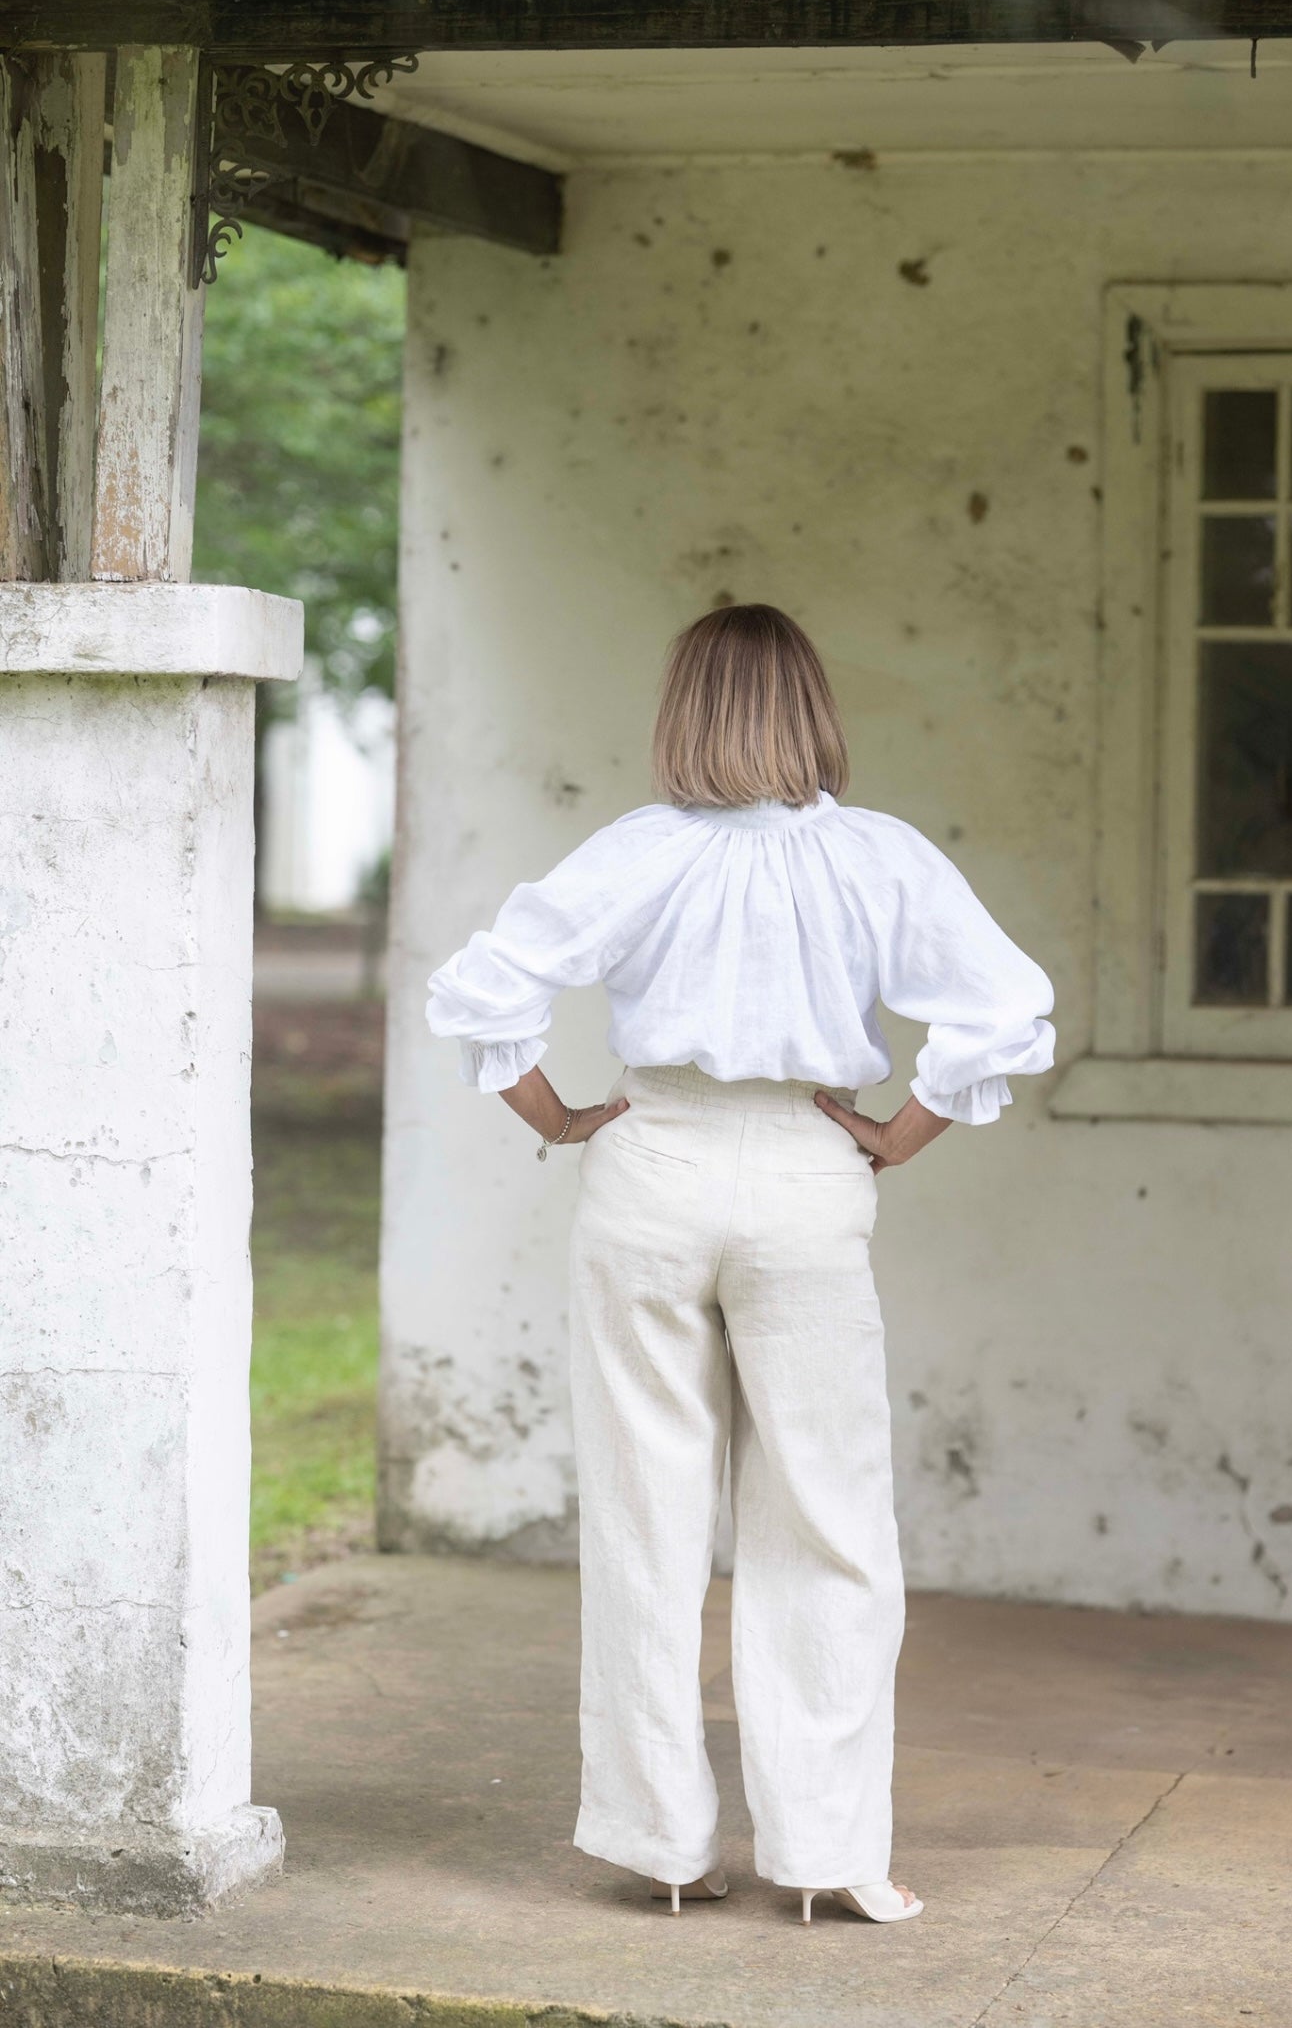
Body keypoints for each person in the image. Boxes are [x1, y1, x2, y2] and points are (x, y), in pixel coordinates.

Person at [426, 603, 1055, 1925]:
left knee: (643, 1520)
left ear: (682, 716)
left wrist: (558, 1120)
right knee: (827, 1519)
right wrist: (898, 1133)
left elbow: (485, 988)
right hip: (808, 1172)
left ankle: (659, 1848)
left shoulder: (633, 854)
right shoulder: (877, 858)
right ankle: (830, 1857)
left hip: (648, 1163)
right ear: (813, 710)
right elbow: (1004, 1009)